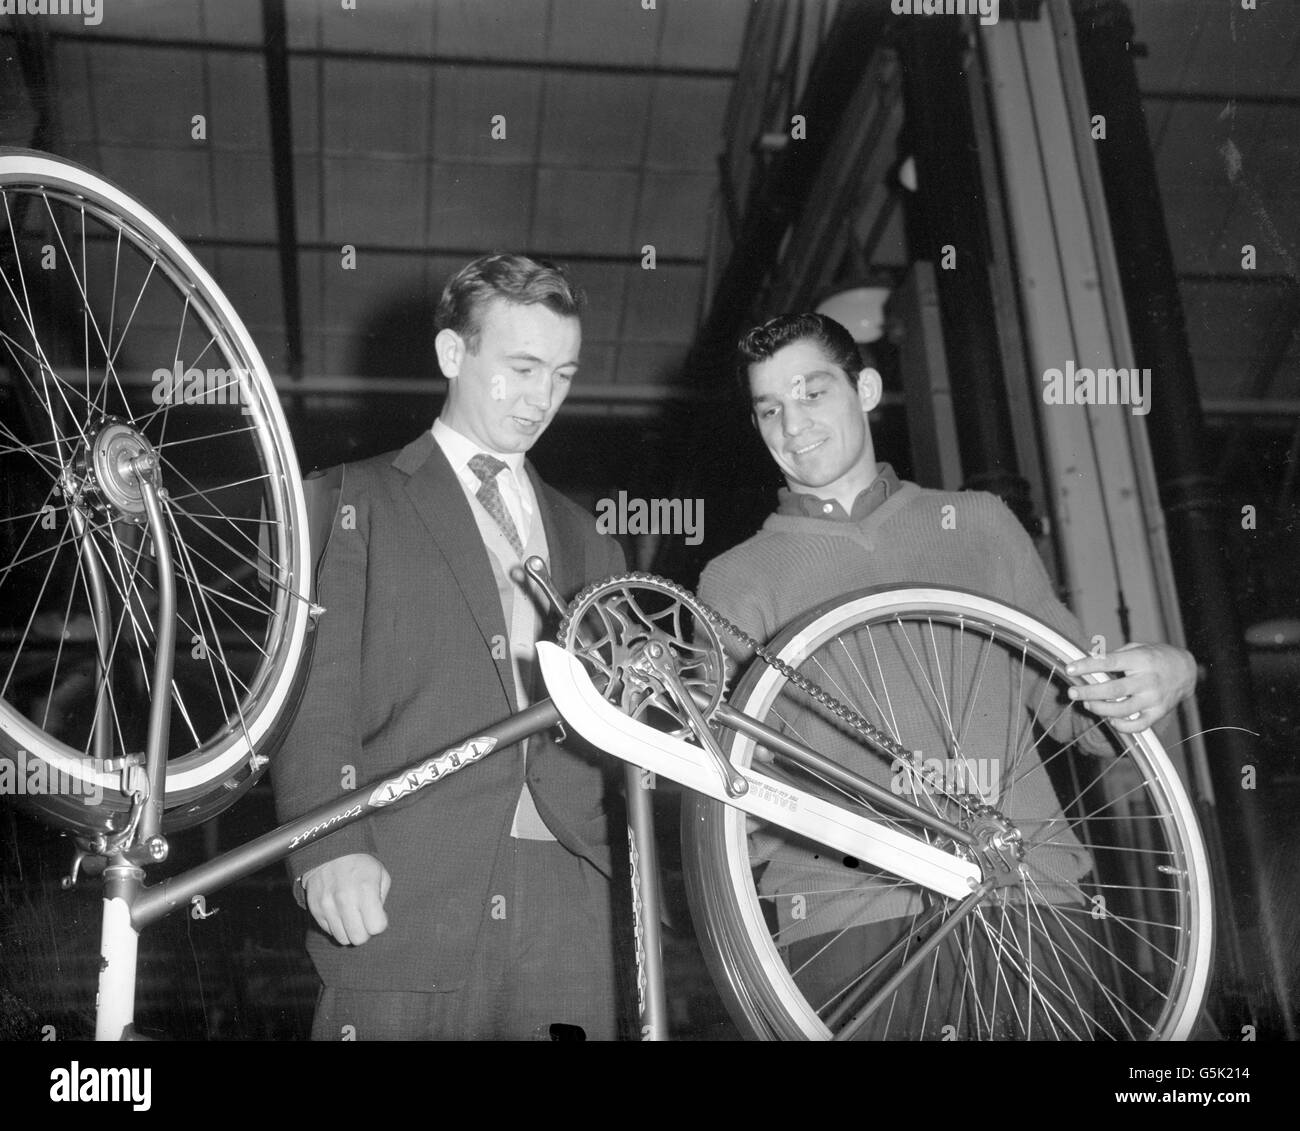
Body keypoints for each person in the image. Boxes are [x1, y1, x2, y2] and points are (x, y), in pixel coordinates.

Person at [698, 312, 1198, 1038]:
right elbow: (736, 781)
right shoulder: (734, 579)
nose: (792, 424)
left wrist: (1168, 668)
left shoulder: (981, 525)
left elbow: (1079, 709)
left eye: (812, 393)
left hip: (1027, 896)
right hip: (849, 917)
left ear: (866, 389)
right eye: (770, 408)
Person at [271, 254, 628, 1040]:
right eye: (522, 367)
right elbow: (314, 690)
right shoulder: (352, 496)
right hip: (403, 877)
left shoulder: (590, 537)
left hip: (576, 895)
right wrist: (327, 843)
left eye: (562, 374)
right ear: (451, 355)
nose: (543, 397)